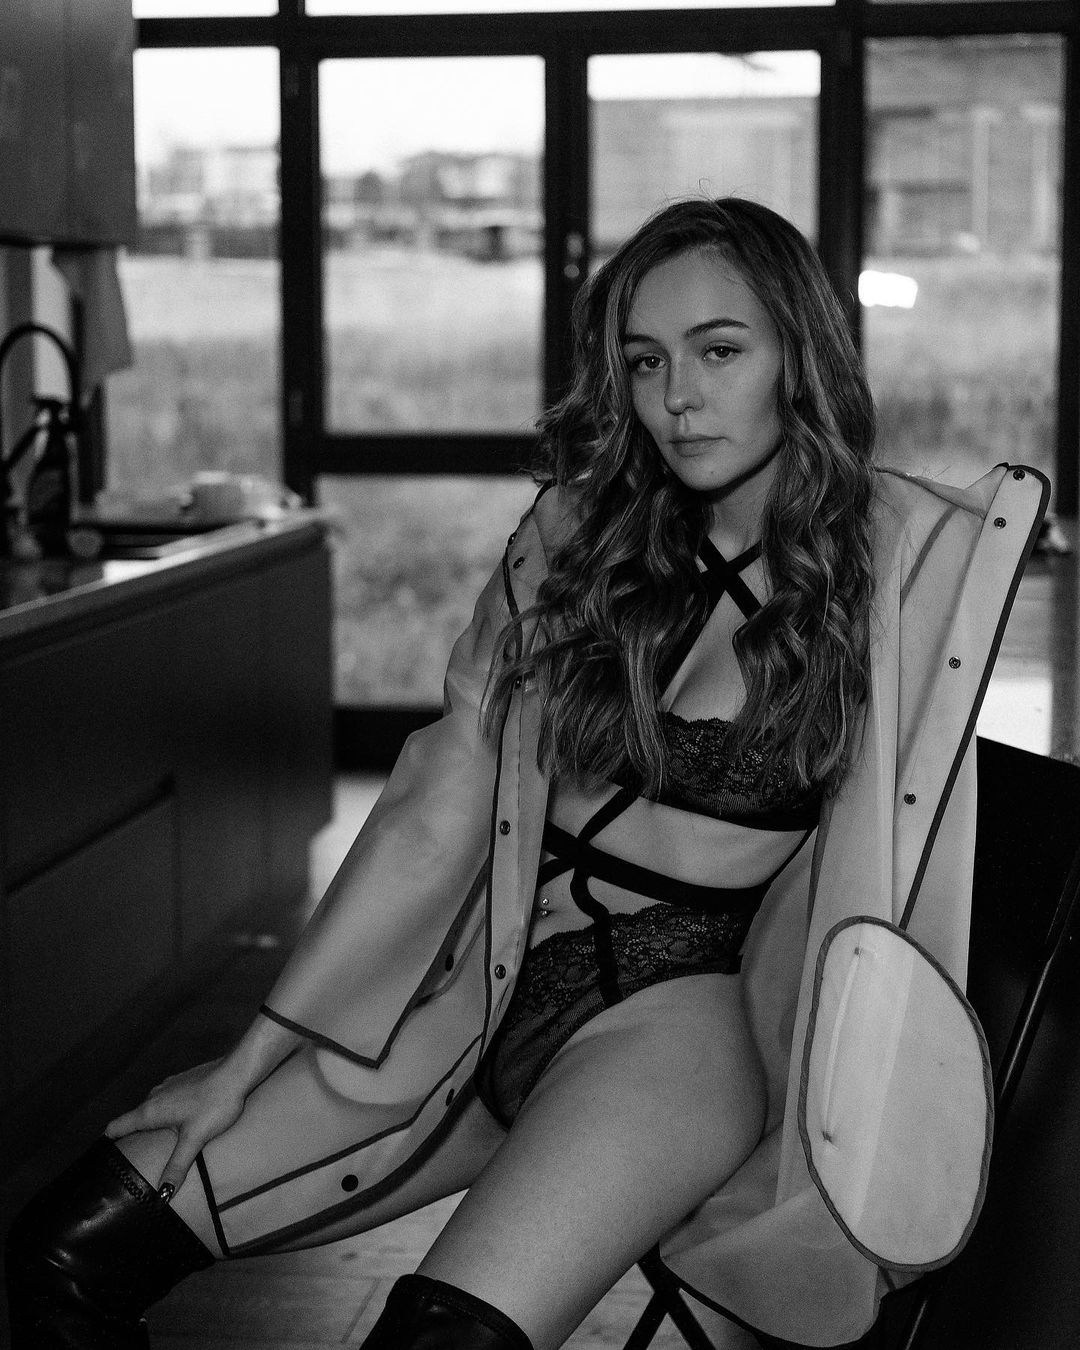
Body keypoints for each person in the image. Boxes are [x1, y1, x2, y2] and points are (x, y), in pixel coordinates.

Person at [5, 197, 1046, 1350]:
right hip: (470, 995)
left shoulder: (892, 567)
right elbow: (430, 809)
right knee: (60, 1256)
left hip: (670, 1030)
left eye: (719, 352)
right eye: (644, 361)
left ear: (800, 354)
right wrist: (257, 1053)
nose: (677, 398)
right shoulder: (573, 541)